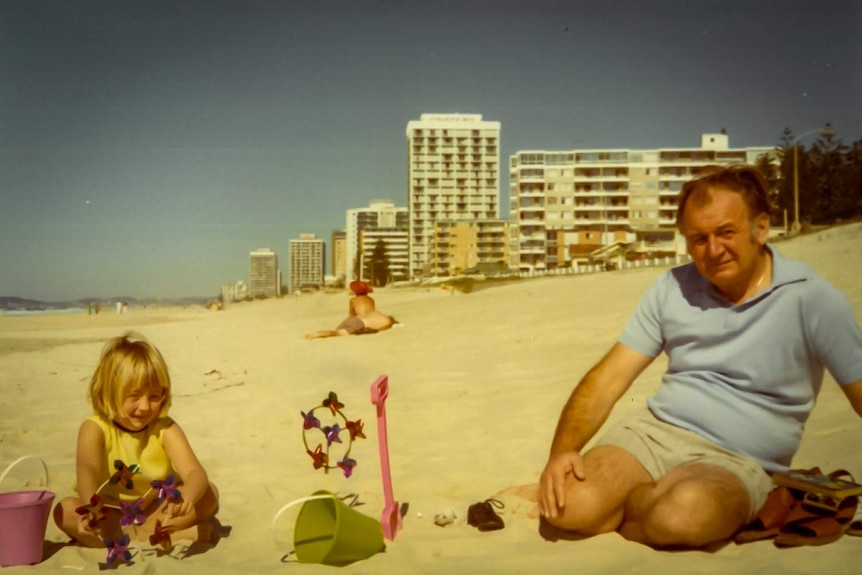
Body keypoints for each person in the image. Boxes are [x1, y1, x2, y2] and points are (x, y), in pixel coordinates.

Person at [537, 164, 862, 549]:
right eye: (698, 238)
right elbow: (608, 379)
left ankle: (638, 501)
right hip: (655, 434)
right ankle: (640, 497)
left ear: (760, 227)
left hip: (740, 459)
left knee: (680, 519)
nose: (714, 250)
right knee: (567, 507)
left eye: (726, 232)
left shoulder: (811, 299)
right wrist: (562, 452)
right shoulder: (673, 287)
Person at [54, 332, 219, 547]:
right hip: (107, 511)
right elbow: (88, 470)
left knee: (209, 494)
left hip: (154, 507)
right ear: (109, 392)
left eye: (154, 397)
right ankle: (158, 535)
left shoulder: (165, 428)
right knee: (63, 510)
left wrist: (188, 494)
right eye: (134, 396)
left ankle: (145, 532)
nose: (144, 406)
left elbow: (195, 472)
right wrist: (90, 508)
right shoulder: (94, 428)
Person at [305, 280, 398, 339]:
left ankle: (316, 334)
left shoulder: (353, 300)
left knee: (337, 331)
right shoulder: (371, 300)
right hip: (362, 321)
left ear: (355, 290)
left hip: (357, 320)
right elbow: (370, 312)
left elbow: (352, 314)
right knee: (338, 332)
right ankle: (316, 334)